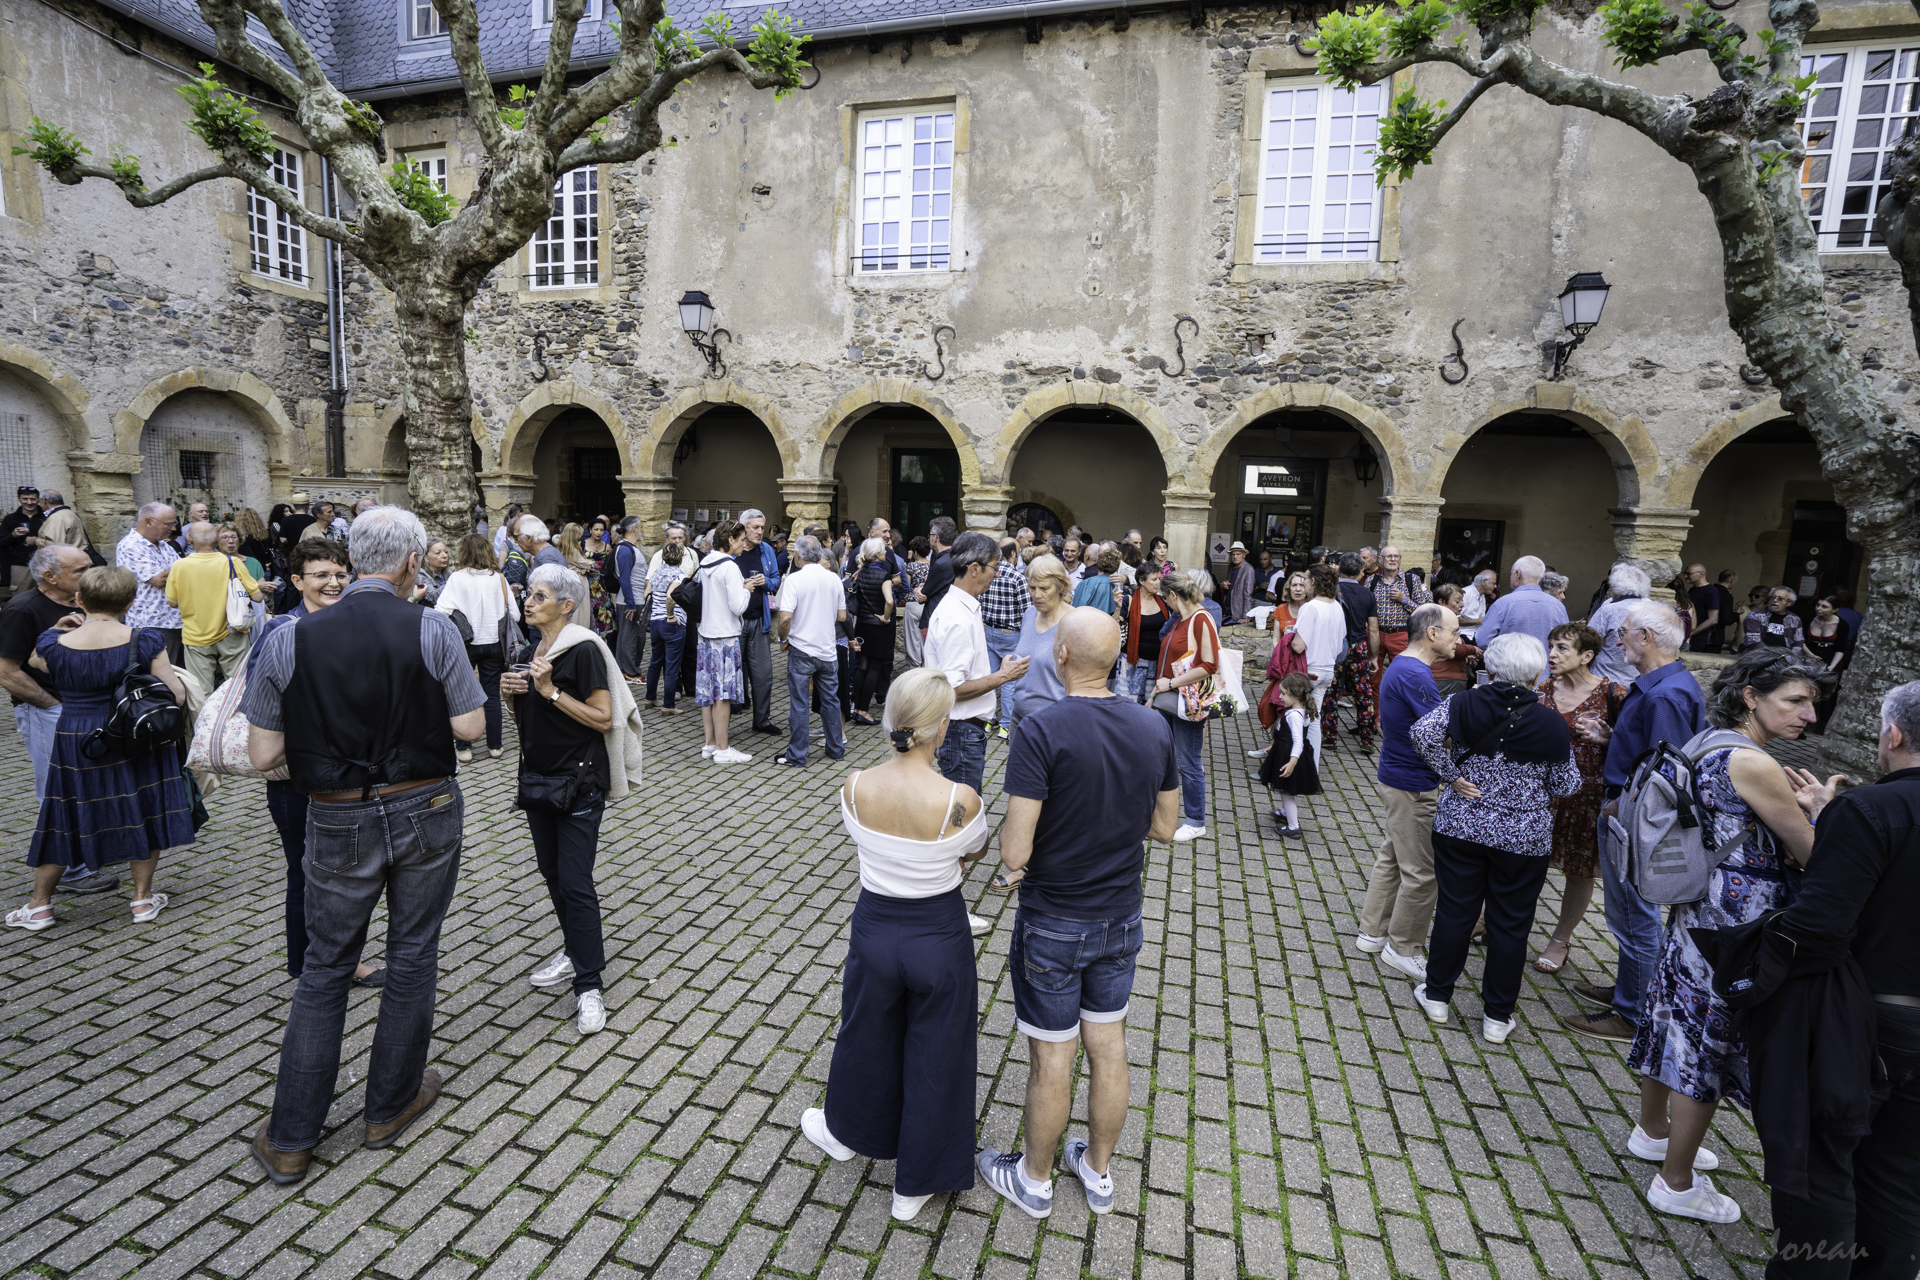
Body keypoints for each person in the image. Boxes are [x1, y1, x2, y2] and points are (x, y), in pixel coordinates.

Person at [242, 506, 487, 1185]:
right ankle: (389, 1105)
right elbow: (470, 726)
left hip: (337, 813)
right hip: (427, 804)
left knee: (325, 970)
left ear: (354, 564)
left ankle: (291, 1138)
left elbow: (263, 753)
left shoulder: (290, 637)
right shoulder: (432, 627)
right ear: (411, 564)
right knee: (412, 955)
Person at [1624, 649, 1837, 1224]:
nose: (1808, 716)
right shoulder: (1756, 764)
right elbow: (1814, 853)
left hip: (1699, 907)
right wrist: (1823, 809)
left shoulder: (1707, 740)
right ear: (1750, 696)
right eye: (1795, 701)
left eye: (1811, 703)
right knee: (1711, 1040)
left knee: (1672, 1014)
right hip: (1738, 922)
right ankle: (1676, 1180)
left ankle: (1651, 1130)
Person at [980, 608, 1180, 1220]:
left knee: (1052, 1054)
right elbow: (1166, 828)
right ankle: (1096, 1172)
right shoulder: (1153, 726)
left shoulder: (1041, 729)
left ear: (1061, 656)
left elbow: (1015, 849)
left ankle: (1034, 1182)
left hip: (1055, 918)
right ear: (1117, 659)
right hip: (1122, 916)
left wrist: (1018, 862)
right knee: (1109, 1045)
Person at [801, 670, 991, 1222]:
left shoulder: (855, 785)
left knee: (864, 1032)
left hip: (875, 926)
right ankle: (915, 1184)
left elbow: (865, 840)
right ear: (941, 728)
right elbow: (972, 851)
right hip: (938, 932)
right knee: (939, 1051)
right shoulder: (960, 797)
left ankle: (844, 1132)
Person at [1763, 680, 1920, 1277]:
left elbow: (1818, 927)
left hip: (1864, 1022)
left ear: (1894, 734)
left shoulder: (1873, 809)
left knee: (1822, 1168)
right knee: (1900, 1174)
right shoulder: (1865, 814)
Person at [1408, 633, 1581, 1042]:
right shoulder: (1553, 722)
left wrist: (1451, 775)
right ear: (1537, 674)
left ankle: (1436, 996)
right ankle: (1497, 1018)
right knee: (1511, 924)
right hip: (1523, 839)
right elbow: (1567, 784)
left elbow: (1421, 734)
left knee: (1455, 910)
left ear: (1491, 667)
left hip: (1461, 827)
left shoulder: (1462, 701)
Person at [6, 566, 192, 931]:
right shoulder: (145, 639)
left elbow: (34, 662)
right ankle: (141, 900)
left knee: (64, 816)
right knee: (144, 808)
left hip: (76, 735)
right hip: (133, 734)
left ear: (79, 599)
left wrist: (56, 630)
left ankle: (39, 906)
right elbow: (176, 694)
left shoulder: (51, 642)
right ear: (131, 602)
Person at [502, 564, 637, 1035]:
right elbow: (530, 723)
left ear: (565, 605)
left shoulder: (581, 651)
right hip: (539, 779)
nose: (528, 601)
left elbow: (603, 719)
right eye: (527, 594)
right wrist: (511, 695)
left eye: (539, 596)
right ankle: (574, 950)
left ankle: (589, 984)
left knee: (576, 881)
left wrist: (549, 690)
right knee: (553, 874)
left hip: (578, 782)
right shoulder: (526, 649)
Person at [1563, 602, 1706, 1044]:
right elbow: (1652, 749)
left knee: (1634, 916)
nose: (1616, 639)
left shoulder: (1666, 694)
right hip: (1627, 810)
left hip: (1631, 816)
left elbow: (1669, 773)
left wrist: (1621, 803)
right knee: (1627, 913)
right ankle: (1630, 989)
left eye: (1623, 632)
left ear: (1646, 637)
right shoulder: (1660, 686)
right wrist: (1613, 738)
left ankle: (1631, 1015)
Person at [249, 541, 383, 986]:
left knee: (345, 874)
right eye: (322, 575)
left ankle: (336, 958)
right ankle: (310, 963)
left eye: (341, 574)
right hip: (296, 775)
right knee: (305, 871)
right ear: (297, 581)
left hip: (349, 769)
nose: (334, 583)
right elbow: (261, 702)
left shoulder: (354, 624)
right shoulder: (281, 631)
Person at [0, 545, 118, 899]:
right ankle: (71, 872)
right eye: (80, 569)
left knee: (86, 787)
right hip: (48, 712)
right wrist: (53, 706)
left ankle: (86, 855)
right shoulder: (22, 610)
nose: (91, 571)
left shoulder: (83, 603)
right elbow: (7, 671)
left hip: (87, 712)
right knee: (57, 791)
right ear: (50, 576)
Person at [1355, 603, 1459, 982]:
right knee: (1422, 872)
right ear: (1433, 633)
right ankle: (1403, 948)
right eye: (1453, 631)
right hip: (1414, 784)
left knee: (1394, 856)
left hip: (1399, 777)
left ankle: (1372, 931)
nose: (1457, 639)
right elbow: (1440, 733)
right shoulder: (1416, 673)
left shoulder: (1404, 665)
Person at [1528, 624, 1626, 974]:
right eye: (1551, 646)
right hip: (1541, 795)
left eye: (1563, 648)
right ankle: (1494, 920)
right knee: (1526, 862)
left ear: (1587, 656)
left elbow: (1634, 748)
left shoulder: (1613, 694)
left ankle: (1560, 939)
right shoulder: (1542, 689)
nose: (1552, 654)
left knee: (1579, 871)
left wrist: (1608, 739)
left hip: (1586, 798)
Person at [925, 530, 1028, 796]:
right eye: (994, 568)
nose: (998, 574)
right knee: (964, 815)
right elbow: (953, 689)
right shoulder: (957, 617)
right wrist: (1003, 676)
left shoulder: (964, 606)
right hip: (960, 730)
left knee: (966, 809)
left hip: (964, 729)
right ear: (974, 568)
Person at [434, 535, 519, 763]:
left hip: (465, 644)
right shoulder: (498, 578)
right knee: (491, 695)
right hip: (494, 645)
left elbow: (441, 611)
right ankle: (495, 746)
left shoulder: (457, 578)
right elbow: (515, 615)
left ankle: (464, 748)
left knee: (461, 694)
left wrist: (461, 617)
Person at [1151, 568, 1220, 843]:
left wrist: (1171, 683)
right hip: (1170, 699)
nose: (1165, 603)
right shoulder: (1182, 618)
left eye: (1165, 598)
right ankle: (1163, 812)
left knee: (1188, 762)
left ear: (1172, 594)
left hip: (1187, 701)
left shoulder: (1201, 619)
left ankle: (1195, 821)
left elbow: (1209, 664)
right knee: (1167, 757)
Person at [773, 535, 849, 767]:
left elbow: (785, 617)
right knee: (831, 702)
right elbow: (842, 616)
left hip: (802, 649)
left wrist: (783, 638)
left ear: (797, 555)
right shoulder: (834, 579)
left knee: (799, 703)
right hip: (827, 649)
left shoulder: (794, 580)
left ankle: (797, 755)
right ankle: (836, 749)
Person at [165, 519, 264, 691]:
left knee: (200, 691)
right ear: (217, 539)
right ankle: (232, 717)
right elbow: (257, 597)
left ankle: (204, 718)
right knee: (237, 687)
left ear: (189, 540)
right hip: (232, 631)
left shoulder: (179, 566)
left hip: (195, 634)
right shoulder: (233, 563)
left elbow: (172, 602)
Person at [695, 520, 758, 764]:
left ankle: (710, 744)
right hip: (725, 636)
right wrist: (746, 591)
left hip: (706, 634)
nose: (745, 544)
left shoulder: (706, 561)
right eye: (742, 539)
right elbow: (737, 606)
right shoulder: (730, 567)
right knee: (722, 694)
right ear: (730, 540)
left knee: (707, 692)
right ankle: (723, 749)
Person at [735, 509, 784, 737]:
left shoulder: (766, 550)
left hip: (759, 621)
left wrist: (766, 582)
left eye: (762, 527)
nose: (760, 532)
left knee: (764, 675)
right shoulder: (731, 551)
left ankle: (761, 720)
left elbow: (776, 581)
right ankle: (726, 716)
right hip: (734, 622)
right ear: (743, 527)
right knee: (732, 672)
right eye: (755, 527)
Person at [1293, 564, 1351, 757]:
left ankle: (1292, 765)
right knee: (1314, 719)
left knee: (1295, 717)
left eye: (1306, 579)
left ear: (1314, 582)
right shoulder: (1337, 607)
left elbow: (1298, 646)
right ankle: (1312, 767)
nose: (1303, 584)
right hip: (1328, 670)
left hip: (1309, 669)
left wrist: (1289, 636)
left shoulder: (1310, 607)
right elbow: (1341, 642)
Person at [1010, 554, 1073, 730]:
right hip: (1019, 718)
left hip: (1053, 723)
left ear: (1060, 586)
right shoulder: (1030, 614)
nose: (1036, 595)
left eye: (1044, 588)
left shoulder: (1074, 622)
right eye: (1032, 588)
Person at [115, 502, 183, 664]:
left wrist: (178, 570)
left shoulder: (164, 546)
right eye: (168, 524)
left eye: (174, 523)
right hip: (152, 624)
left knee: (178, 675)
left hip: (173, 621)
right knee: (161, 676)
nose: (173, 528)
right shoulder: (131, 545)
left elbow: (184, 571)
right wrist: (180, 570)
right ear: (148, 521)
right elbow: (159, 579)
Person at [1260, 672, 1322, 838]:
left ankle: (1293, 827)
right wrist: (1273, 748)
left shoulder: (1294, 715)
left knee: (1287, 792)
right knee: (1284, 788)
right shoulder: (1302, 710)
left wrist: (1292, 762)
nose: (1280, 696)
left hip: (1290, 756)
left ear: (1294, 695)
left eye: (1283, 693)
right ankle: (1285, 813)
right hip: (1285, 751)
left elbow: (1298, 741)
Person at [1328, 553, 1381, 749]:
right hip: (1358, 647)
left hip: (1334, 646)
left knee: (1331, 692)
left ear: (1339, 569)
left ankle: (1328, 737)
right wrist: (1374, 656)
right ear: (1361, 572)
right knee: (1363, 693)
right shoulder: (1368, 595)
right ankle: (1367, 739)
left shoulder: (1331, 591)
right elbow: (1373, 629)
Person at [1366, 544, 1432, 703]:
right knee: (1373, 678)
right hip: (1376, 635)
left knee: (1403, 677)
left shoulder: (1411, 580)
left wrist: (1404, 600)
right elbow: (1363, 608)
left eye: (1396, 556)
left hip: (1400, 634)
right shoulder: (1371, 581)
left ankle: (1398, 716)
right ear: (1381, 560)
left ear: (1400, 559)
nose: (1392, 559)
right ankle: (1373, 722)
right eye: (1388, 556)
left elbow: (1422, 610)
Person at [980, 536, 1031, 733]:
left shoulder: (988, 574)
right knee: (1009, 680)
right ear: (1012, 554)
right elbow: (1027, 610)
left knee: (991, 677)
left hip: (990, 631)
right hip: (1011, 634)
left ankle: (988, 718)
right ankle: (1005, 725)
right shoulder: (1018, 578)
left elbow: (981, 602)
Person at [1474, 555, 1569, 660]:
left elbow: (1482, 640)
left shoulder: (1503, 603)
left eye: (1511, 574)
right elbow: (1565, 643)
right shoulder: (1558, 606)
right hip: (1545, 672)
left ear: (1517, 574)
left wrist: (1504, 656)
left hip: (1508, 670)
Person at [848, 536, 899, 727]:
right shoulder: (885, 576)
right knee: (875, 669)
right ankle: (863, 711)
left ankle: (856, 709)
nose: (886, 552)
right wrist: (886, 618)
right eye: (884, 550)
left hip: (862, 625)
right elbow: (890, 601)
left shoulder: (860, 573)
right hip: (878, 628)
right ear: (877, 555)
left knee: (862, 667)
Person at [1584, 563, 1652, 685]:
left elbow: (1587, 641)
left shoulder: (1608, 610)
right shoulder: (1653, 609)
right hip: (1639, 682)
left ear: (1615, 587)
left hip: (1605, 682)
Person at [644, 542, 689, 713]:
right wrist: (670, 615)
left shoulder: (657, 573)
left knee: (655, 662)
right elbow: (670, 598)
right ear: (680, 558)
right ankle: (668, 705)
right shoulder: (679, 576)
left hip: (655, 622)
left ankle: (650, 698)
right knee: (671, 666)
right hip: (672, 624)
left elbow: (646, 593)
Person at [1802, 595, 1850, 733]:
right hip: (1811, 652)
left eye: (1824, 606)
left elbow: (1840, 649)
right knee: (1807, 686)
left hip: (1832, 656)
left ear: (1834, 610)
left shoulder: (1842, 624)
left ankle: (1823, 723)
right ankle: (1803, 720)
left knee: (1829, 688)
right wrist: (1811, 655)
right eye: (1818, 605)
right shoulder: (1809, 619)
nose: (1819, 609)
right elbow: (1801, 640)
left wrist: (1832, 666)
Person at [1123, 561, 1168, 703]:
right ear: (1142, 581)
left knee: (1152, 704)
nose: (1158, 583)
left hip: (1157, 663)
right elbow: (1115, 626)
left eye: (1159, 579)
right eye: (1154, 579)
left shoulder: (1163, 602)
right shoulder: (1128, 600)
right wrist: (1118, 609)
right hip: (1134, 664)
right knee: (1132, 703)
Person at [1427, 582, 1481, 695]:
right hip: (1445, 679)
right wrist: (1472, 649)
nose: (1462, 605)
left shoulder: (1439, 619)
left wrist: (1465, 657)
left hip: (1447, 677)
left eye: (1462, 601)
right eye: (1457, 601)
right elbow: (1446, 648)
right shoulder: (1439, 621)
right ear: (1441, 601)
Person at [611, 517, 647, 680]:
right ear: (634, 529)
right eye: (641, 527)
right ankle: (630, 672)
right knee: (631, 638)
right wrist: (631, 604)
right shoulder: (625, 550)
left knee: (630, 637)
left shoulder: (629, 548)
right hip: (630, 601)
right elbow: (624, 579)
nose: (643, 531)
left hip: (633, 600)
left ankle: (625, 670)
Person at [919, 516, 957, 637]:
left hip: (936, 616)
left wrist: (916, 589)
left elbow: (924, 593)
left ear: (935, 537)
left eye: (930, 534)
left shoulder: (942, 562)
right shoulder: (955, 557)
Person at [34, 490, 92, 562]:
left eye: (39, 501)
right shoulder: (71, 513)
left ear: (44, 500)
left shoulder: (56, 517)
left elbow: (55, 545)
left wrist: (36, 541)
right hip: (77, 557)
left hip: (67, 561)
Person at [1743, 586, 1805, 651]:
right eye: (1773, 597)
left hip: (1785, 656)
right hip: (1757, 655)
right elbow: (1754, 642)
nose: (1775, 600)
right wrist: (1772, 656)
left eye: (1780, 598)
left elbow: (1798, 642)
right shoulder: (1755, 615)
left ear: (1789, 603)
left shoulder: (1795, 619)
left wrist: (1791, 657)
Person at [901, 538, 930, 665]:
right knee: (926, 640)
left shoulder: (911, 566)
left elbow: (906, 586)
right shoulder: (933, 566)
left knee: (912, 641)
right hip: (928, 605)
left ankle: (914, 667)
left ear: (915, 552)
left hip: (913, 604)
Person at [410, 539, 450, 608]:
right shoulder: (420, 575)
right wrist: (452, 582)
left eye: (446, 552)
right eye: (438, 553)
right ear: (426, 557)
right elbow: (432, 598)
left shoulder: (448, 573)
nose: (444, 556)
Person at [1223, 541, 1256, 623]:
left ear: (1244, 555)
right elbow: (1231, 581)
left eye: (1238, 554)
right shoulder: (1231, 566)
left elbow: (1248, 593)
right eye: (1233, 554)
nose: (1235, 557)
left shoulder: (1248, 569)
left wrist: (1246, 616)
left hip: (1238, 610)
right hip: (1228, 606)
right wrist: (1225, 584)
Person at [1460, 569, 1496, 636]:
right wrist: (1478, 621)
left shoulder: (1482, 596)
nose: (1495, 586)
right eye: (1493, 583)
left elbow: (1482, 619)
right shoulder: (1465, 593)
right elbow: (1454, 619)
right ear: (1483, 582)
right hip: (1462, 635)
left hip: (1476, 635)